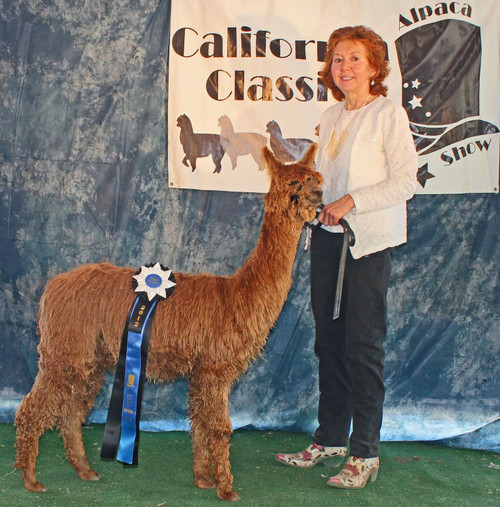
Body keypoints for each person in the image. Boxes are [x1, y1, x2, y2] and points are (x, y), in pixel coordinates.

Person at [275, 25, 418, 489]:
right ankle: (330, 438)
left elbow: (406, 181)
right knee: (328, 343)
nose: (345, 67)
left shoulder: (387, 115)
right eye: (337, 59)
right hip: (327, 239)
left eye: (355, 58)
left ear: (375, 67)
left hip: (369, 243)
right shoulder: (331, 115)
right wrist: (313, 201)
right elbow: (327, 181)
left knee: (363, 346)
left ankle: (365, 453)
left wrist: (352, 201)